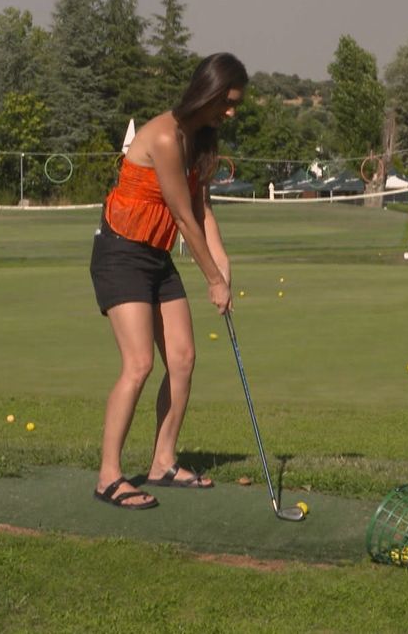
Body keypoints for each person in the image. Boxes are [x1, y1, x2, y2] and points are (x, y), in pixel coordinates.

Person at [89, 53, 248, 509]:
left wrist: (223, 262)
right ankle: (108, 476)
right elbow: (180, 214)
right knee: (138, 364)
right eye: (228, 101)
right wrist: (213, 280)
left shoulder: (200, 140)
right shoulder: (163, 135)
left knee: (182, 358)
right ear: (208, 91)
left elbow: (202, 210)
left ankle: (162, 462)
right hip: (121, 253)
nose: (232, 111)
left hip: (155, 256)